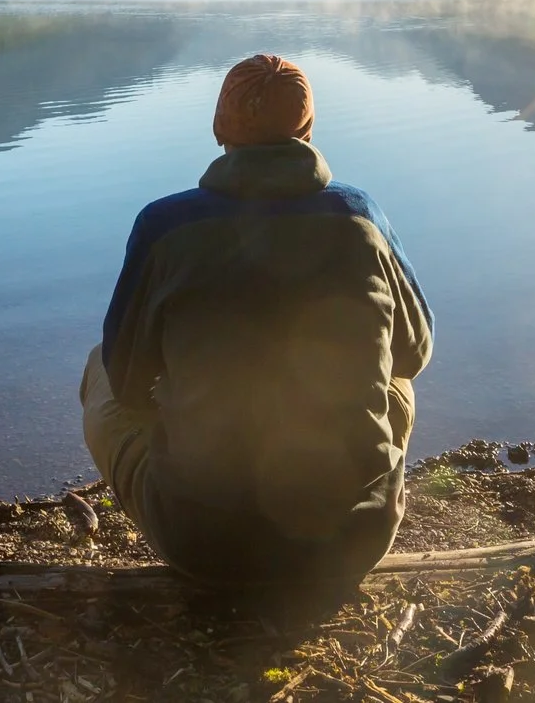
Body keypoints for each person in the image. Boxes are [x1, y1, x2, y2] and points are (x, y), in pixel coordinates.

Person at [81, 53, 432, 590]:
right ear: (309, 131)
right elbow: (415, 353)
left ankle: (200, 488)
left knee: (98, 370)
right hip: (351, 540)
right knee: (395, 375)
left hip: (206, 545)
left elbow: (127, 385)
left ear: (220, 127)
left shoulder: (164, 225)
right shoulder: (360, 216)